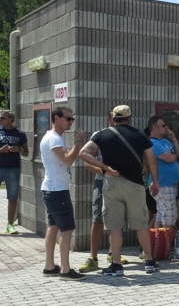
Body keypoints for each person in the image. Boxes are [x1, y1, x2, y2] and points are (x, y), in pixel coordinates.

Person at [80, 105, 160, 276]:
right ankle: (150, 262)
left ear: (113, 118)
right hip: (135, 185)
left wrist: (105, 167)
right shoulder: (139, 135)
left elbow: (84, 153)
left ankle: (116, 265)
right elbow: (151, 161)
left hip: (112, 184)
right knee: (141, 225)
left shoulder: (102, 135)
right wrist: (155, 181)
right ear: (130, 118)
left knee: (115, 227)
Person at [79, 110, 127, 273]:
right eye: (114, 116)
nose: (116, 119)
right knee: (97, 218)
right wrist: (105, 171)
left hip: (120, 182)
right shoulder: (99, 135)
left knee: (117, 219)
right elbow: (87, 163)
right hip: (102, 182)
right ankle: (93, 257)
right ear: (109, 118)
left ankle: (113, 254)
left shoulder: (126, 135)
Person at [40, 106, 86, 280]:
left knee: (54, 226)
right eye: (68, 119)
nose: (70, 122)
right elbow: (68, 160)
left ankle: (49, 266)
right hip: (56, 190)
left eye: (72, 119)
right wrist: (77, 142)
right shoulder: (54, 138)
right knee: (67, 229)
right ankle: (65, 270)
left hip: (53, 188)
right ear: (57, 118)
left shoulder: (52, 137)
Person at [147, 116, 179, 229]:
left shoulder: (165, 141)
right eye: (163, 125)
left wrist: (174, 139)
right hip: (163, 184)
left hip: (168, 184)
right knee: (169, 217)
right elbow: (170, 158)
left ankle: (159, 240)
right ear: (155, 128)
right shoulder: (152, 143)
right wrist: (175, 155)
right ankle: (167, 240)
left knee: (161, 214)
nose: (166, 127)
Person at [0, 110, 28, 234]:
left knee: (12, 197)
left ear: (11, 119)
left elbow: (26, 153)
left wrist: (20, 149)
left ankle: (10, 225)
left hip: (13, 169)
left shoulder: (20, 134)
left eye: (2, 118)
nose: (0, 120)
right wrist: (1, 150)